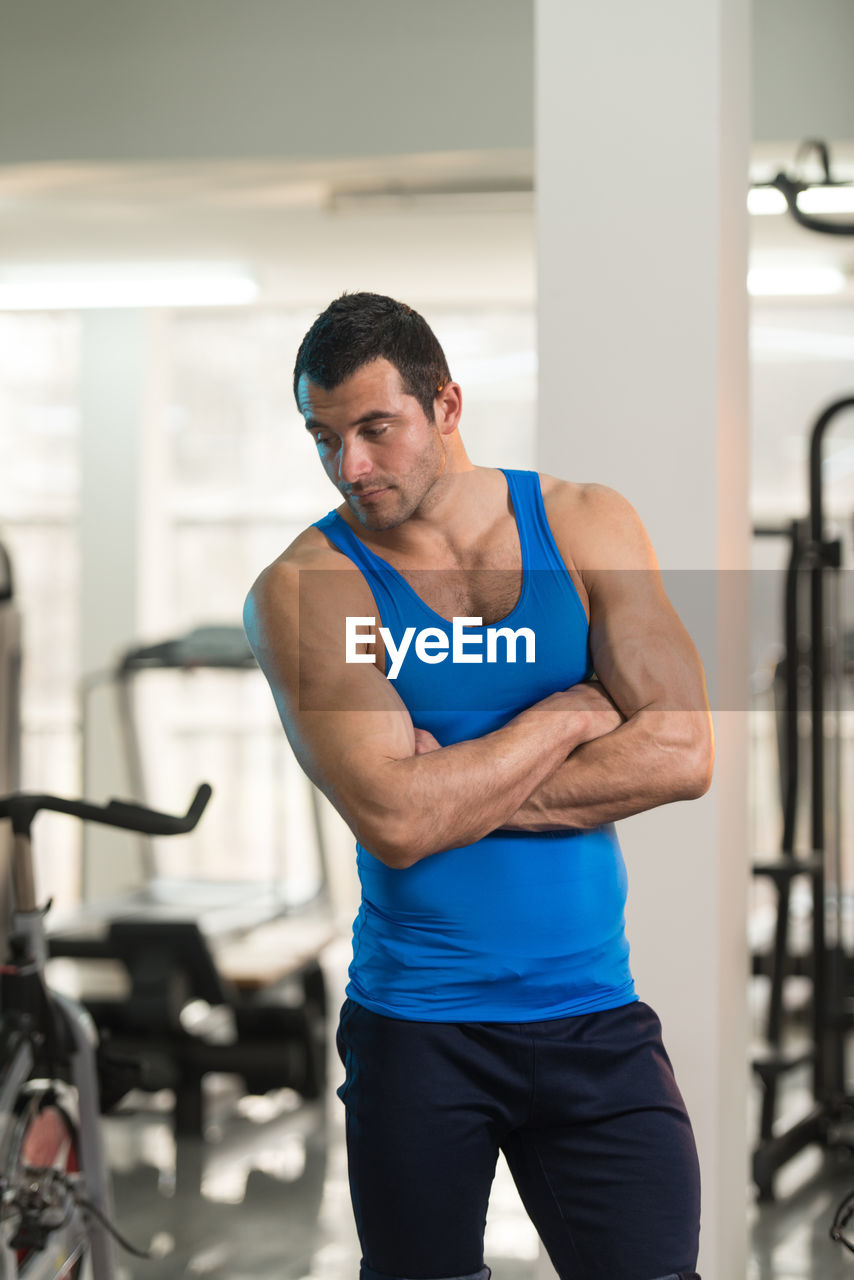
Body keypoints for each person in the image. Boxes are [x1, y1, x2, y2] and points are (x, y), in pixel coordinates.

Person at [243, 292, 713, 1280]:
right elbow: (393, 821)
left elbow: (679, 749)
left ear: (445, 405)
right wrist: (568, 712)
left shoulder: (582, 522)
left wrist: (442, 786)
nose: (350, 466)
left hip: (593, 1015)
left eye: (376, 428)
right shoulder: (313, 587)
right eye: (323, 439)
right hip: (418, 1030)